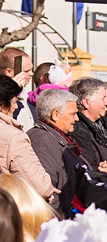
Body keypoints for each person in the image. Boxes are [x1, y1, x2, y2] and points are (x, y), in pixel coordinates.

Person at [0, 75, 55, 203]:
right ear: (2, 104)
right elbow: (40, 187)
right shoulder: (13, 137)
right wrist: (49, 190)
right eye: (14, 102)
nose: (16, 107)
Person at [26, 87, 78, 216]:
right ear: (55, 114)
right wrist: (58, 223)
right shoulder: (41, 141)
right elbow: (47, 193)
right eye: (73, 114)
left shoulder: (58, 136)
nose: (76, 119)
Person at [69, 77, 107, 177]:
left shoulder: (101, 124)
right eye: (103, 98)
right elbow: (89, 167)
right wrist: (98, 170)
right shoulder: (78, 131)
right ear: (86, 102)